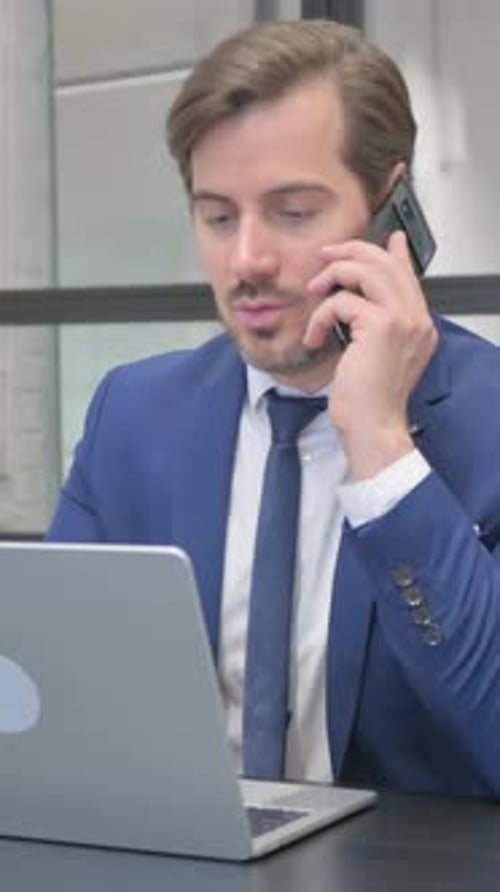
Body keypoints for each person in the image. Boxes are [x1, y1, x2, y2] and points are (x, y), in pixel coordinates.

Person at [47, 20, 500, 796]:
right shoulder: (133, 415)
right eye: (218, 216)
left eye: (293, 213)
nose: (247, 260)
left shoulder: (487, 422)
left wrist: (383, 449)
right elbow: (52, 701)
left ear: (394, 213)